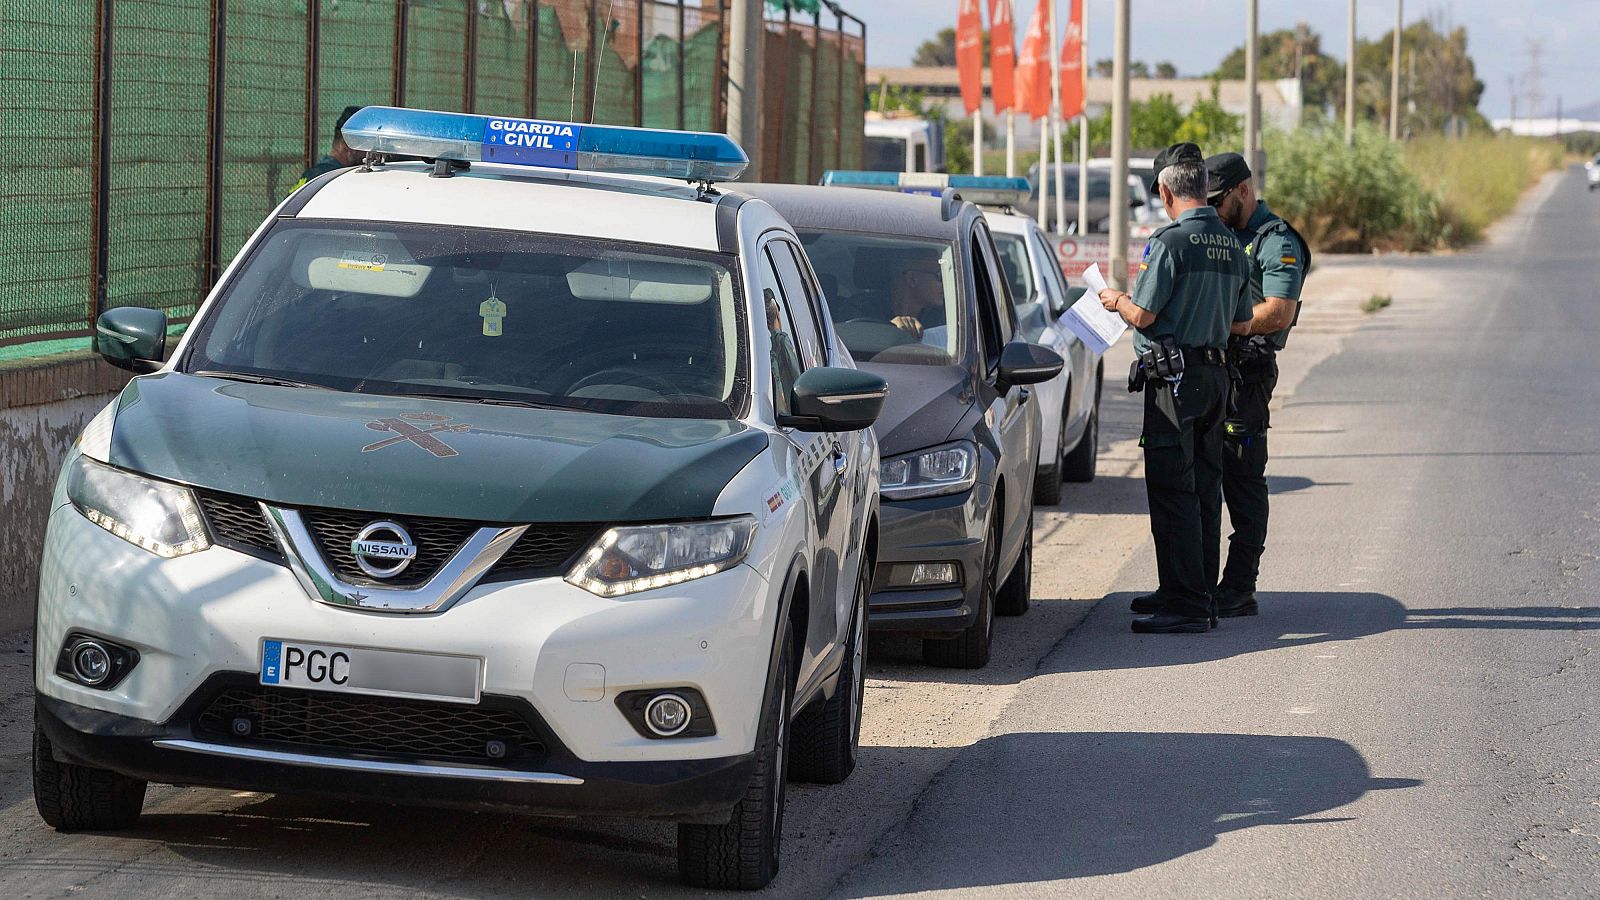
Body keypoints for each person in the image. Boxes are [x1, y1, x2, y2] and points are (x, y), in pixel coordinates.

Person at [1097, 143, 1253, 634]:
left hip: (1175, 381)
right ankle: (1194, 590)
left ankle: (1185, 603)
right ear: (1204, 191)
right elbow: (1242, 320)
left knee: (1170, 487)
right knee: (1206, 487)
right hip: (1216, 376)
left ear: (1166, 193)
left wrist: (1115, 299)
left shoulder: (1169, 243)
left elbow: (1143, 314)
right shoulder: (1232, 244)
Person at [1202, 151, 1311, 617]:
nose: (1213, 208)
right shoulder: (1217, 233)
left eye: (1219, 199)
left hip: (1248, 374)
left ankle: (1240, 584)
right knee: (1204, 476)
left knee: (1243, 479)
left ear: (1243, 190)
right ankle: (1199, 584)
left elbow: (1279, 311)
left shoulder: (1277, 241)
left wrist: (1228, 324)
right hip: (1210, 370)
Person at [292, 106, 365, 190]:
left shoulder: (317, 174)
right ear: (347, 144)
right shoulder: (336, 179)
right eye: (366, 146)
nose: (371, 155)